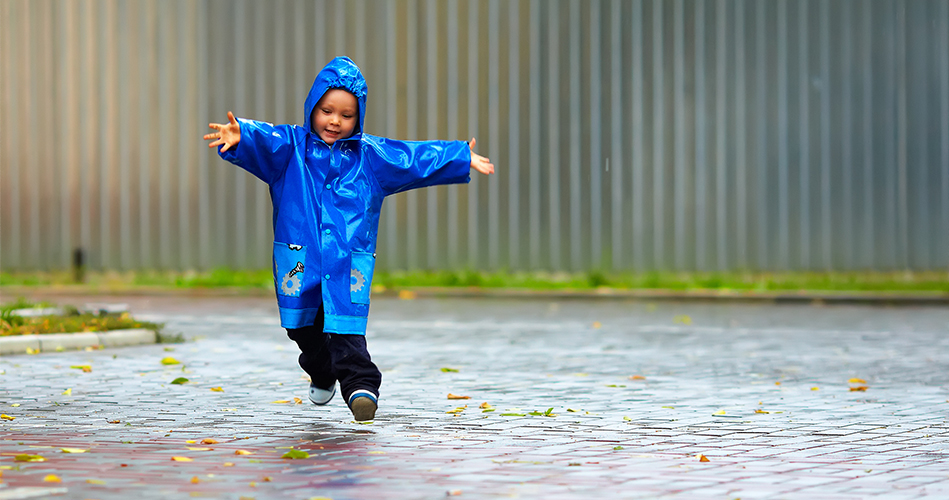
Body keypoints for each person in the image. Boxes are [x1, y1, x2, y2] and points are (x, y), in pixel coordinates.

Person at [203, 57, 494, 421]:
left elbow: (412, 158)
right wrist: (242, 136)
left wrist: (458, 156)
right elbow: (265, 138)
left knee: (345, 328)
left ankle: (362, 387)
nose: (335, 121)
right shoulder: (290, 150)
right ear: (313, 108)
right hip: (299, 259)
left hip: (346, 263)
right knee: (301, 328)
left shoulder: (370, 157)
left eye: (346, 115)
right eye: (327, 111)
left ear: (358, 119)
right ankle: (322, 371)